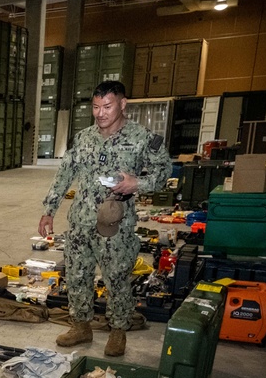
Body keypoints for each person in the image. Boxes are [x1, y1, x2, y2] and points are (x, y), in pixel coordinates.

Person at [38, 80, 171, 357]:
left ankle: (118, 330)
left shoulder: (142, 139)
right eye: (96, 107)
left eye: (107, 106)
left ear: (122, 104)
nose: (100, 113)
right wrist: (49, 210)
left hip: (115, 226)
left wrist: (137, 183)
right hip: (80, 224)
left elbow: (162, 173)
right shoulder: (84, 137)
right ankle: (81, 326)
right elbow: (64, 174)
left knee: (117, 279)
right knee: (77, 277)